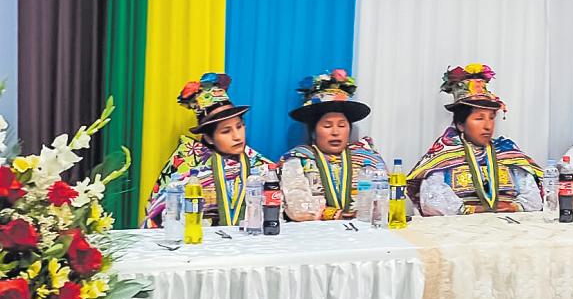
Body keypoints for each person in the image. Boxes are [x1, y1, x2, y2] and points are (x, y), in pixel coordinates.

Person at [408, 64, 543, 216]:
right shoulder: (444, 154)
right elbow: (431, 201)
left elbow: (534, 199)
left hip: (509, 223)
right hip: (460, 227)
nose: (488, 126)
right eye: (479, 118)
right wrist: (474, 210)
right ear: (461, 124)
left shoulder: (507, 152)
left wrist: (514, 207)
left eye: (491, 118)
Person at [144, 72, 271, 227]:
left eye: (240, 126)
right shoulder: (186, 164)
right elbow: (157, 215)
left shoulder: (258, 164)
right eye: (226, 131)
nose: (237, 136)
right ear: (209, 138)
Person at [281, 69, 386, 221]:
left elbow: (386, 199)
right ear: (313, 131)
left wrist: (366, 212)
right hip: (314, 231)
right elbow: (296, 207)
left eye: (342, 125)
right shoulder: (298, 160)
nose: (335, 132)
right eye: (327, 126)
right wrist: (337, 215)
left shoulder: (367, 159)